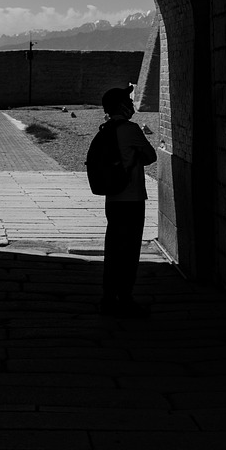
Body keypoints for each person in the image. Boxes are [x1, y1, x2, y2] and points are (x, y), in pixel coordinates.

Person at [98, 86, 156, 318]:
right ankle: (125, 296)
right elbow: (150, 156)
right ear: (122, 106)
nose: (132, 105)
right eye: (128, 101)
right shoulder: (130, 130)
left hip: (113, 198)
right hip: (132, 198)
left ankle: (108, 295)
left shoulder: (105, 130)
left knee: (113, 247)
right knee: (130, 250)